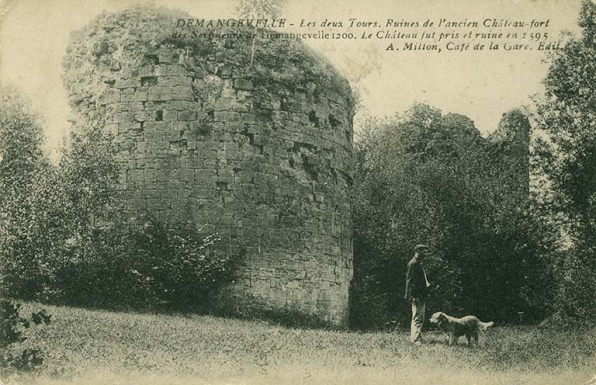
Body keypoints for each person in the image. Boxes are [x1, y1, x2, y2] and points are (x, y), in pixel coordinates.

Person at [404, 244, 431, 345]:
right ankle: (415, 339)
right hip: (417, 296)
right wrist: (413, 296)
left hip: (421, 295)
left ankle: (417, 336)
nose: (426, 253)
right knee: (417, 317)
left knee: (420, 317)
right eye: (424, 251)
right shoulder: (413, 264)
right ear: (418, 251)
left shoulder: (418, 263)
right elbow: (410, 282)